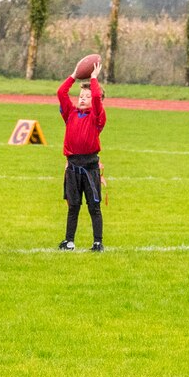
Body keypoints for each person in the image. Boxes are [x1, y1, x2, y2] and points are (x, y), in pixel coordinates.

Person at [56, 69, 106, 251]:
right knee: (73, 206)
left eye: (87, 96)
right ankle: (69, 241)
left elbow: (97, 98)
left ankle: (97, 242)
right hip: (73, 166)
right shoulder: (70, 113)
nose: (83, 98)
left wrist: (93, 78)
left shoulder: (97, 117)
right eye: (81, 95)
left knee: (94, 206)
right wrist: (74, 75)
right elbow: (61, 93)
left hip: (90, 167)